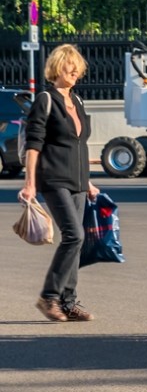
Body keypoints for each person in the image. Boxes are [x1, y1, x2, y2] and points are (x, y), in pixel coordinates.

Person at [21, 43, 100, 323]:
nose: (75, 70)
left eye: (78, 65)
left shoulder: (77, 101)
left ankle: (68, 301)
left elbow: (80, 145)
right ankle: (49, 297)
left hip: (77, 180)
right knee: (74, 235)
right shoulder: (46, 99)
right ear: (57, 67)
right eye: (70, 65)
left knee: (76, 241)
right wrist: (30, 183)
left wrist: (88, 182)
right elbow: (34, 144)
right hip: (53, 178)